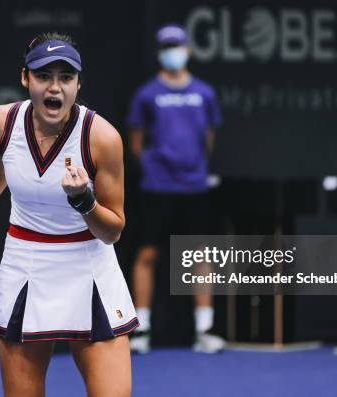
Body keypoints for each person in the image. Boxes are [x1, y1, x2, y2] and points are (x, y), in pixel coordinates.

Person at [0, 32, 138, 397]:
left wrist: (84, 201)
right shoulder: (3, 122)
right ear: (25, 78)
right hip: (25, 264)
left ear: (78, 83)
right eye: (44, 76)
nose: (55, 88)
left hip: (89, 266)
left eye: (66, 78)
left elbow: (113, 231)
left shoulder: (102, 138)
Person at [127, 24, 224, 354]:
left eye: (177, 45)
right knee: (148, 254)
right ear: (159, 52)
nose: (173, 51)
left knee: (199, 255)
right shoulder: (146, 94)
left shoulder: (205, 93)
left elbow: (209, 138)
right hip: (157, 188)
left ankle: (205, 330)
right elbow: (136, 143)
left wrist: (192, 167)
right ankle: (140, 330)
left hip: (194, 187)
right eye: (167, 46)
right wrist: (158, 168)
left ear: (188, 50)